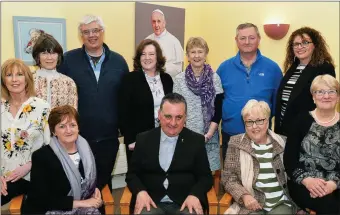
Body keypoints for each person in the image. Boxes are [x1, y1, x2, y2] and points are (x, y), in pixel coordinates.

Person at [58, 15, 129, 191]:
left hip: (109, 139)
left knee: (101, 185)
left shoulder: (119, 62)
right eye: (86, 32)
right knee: (78, 184)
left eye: (95, 30)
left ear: (103, 32)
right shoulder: (68, 60)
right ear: (81, 35)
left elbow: (126, 99)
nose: (91, 35)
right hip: (77, 137)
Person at [126, 93, 213, 215]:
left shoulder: (196, 141)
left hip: (185, 201)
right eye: (168, 116)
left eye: (179, 117)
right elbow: (132, 175)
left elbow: (206, 177)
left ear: (185, 118)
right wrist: (140, 192)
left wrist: (195, 195)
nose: (173, 123)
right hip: (151, 200)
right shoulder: (143, 139)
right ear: (159, 115)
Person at [216, 23, 282, 161]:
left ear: (259, 39)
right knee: (231, 179)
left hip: (261, 136)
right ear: (236, 40)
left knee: (260, 179)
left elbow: (277, 104)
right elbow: (216, 102)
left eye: (251, 38)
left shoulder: (273, 68)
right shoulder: (224, 68)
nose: (247, 42)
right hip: (231, 135)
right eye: (243, 38)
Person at [22, 105, 102, 214]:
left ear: (78, 128)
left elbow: (93, 179)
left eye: (72, 125)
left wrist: (95, 189)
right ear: (54, 132)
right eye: (62, 126)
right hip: (52, 210)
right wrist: (81, 203)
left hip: (88, 205)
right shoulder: (41, 156)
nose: (68, 130)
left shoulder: (88, 150)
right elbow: (39, 199)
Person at [222, 100, 295, 214]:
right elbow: (228, 178)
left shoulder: (282, 143)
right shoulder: (236, 143)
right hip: (251, 205)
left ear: (267, 120)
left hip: (280, 204)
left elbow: (293, 175)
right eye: (249, 122)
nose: (254, 127)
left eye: (259, 121)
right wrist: (244, 196)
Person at [284, 74, 340, 214]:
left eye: (331, 91)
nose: (325, 96)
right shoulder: (301, 120)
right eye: (320, 92)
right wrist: (307, 181)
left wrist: (333, 184)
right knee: (330, 206)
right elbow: (289, 160)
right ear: (313, 97)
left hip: (336, 183)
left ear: (338, 97)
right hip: (305, 183)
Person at [1, 59, 50, 205]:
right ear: (3, 80)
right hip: (4, 178)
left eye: (19, 75)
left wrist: (29, 165)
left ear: (27, 79)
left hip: (32, 175)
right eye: (9, 75)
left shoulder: (42, 107)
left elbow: (51, 146)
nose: (14, 79)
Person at [274, 27, 336, 137]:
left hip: (308, 131)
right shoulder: (294, 67)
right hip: (284, 129)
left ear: (315, 45)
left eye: (305, 43)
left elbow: (326, 102)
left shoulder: (324, 68)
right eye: (296, 44)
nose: (300, 47)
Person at [173, 37, 223, 172]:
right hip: (185, 136)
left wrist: (208, 135)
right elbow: (175, 110)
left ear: (206, 54)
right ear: (187, 56)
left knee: (207, 176)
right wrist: (185, 134)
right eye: (193, 52)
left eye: (200, 51)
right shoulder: (179, 80)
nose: (196, 55)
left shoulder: (214, 78)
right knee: (186, 175)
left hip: (209, 136)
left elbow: (218, 110)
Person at [119, 39, 173, 163]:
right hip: (139, 141)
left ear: (158, 57)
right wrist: (130, 139)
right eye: (143, 54)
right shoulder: (129, 79)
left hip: (165, 137)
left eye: (151, 54)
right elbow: (123, 112)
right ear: (139, 57)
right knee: (140, 178)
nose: (147, 58)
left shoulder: (167, 79)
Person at [32, 33, 78, 109]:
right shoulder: (28, 80)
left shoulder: (69, 83)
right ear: (37, 56)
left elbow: (72, 113)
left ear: (59, 56)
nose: (49, 58)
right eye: (44, 53)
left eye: (53, 53)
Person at [146, 9, 184, 78]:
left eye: (159, 21)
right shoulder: (147, 40)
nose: (156, 25)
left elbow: (178, 69)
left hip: (168, 82)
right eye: (154, 21)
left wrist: (159, 67)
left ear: (164, 23)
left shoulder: (174, 42)